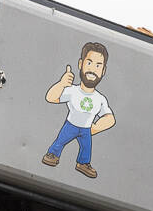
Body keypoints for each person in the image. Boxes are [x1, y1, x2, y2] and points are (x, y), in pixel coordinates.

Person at [42, 42, 115, 179]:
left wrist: (96, 127)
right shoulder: (72, 91)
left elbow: (110, 117)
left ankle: (83, 163)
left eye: (98, 65)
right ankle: (52, 154)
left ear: (103, 71)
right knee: (60, 141)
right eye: (89, 63)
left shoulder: (100, 99)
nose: (93, 69)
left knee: (86, 148)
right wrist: (61, 84)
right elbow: (51, 97)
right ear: (80, 64)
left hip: (86, 129)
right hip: (71, 125)